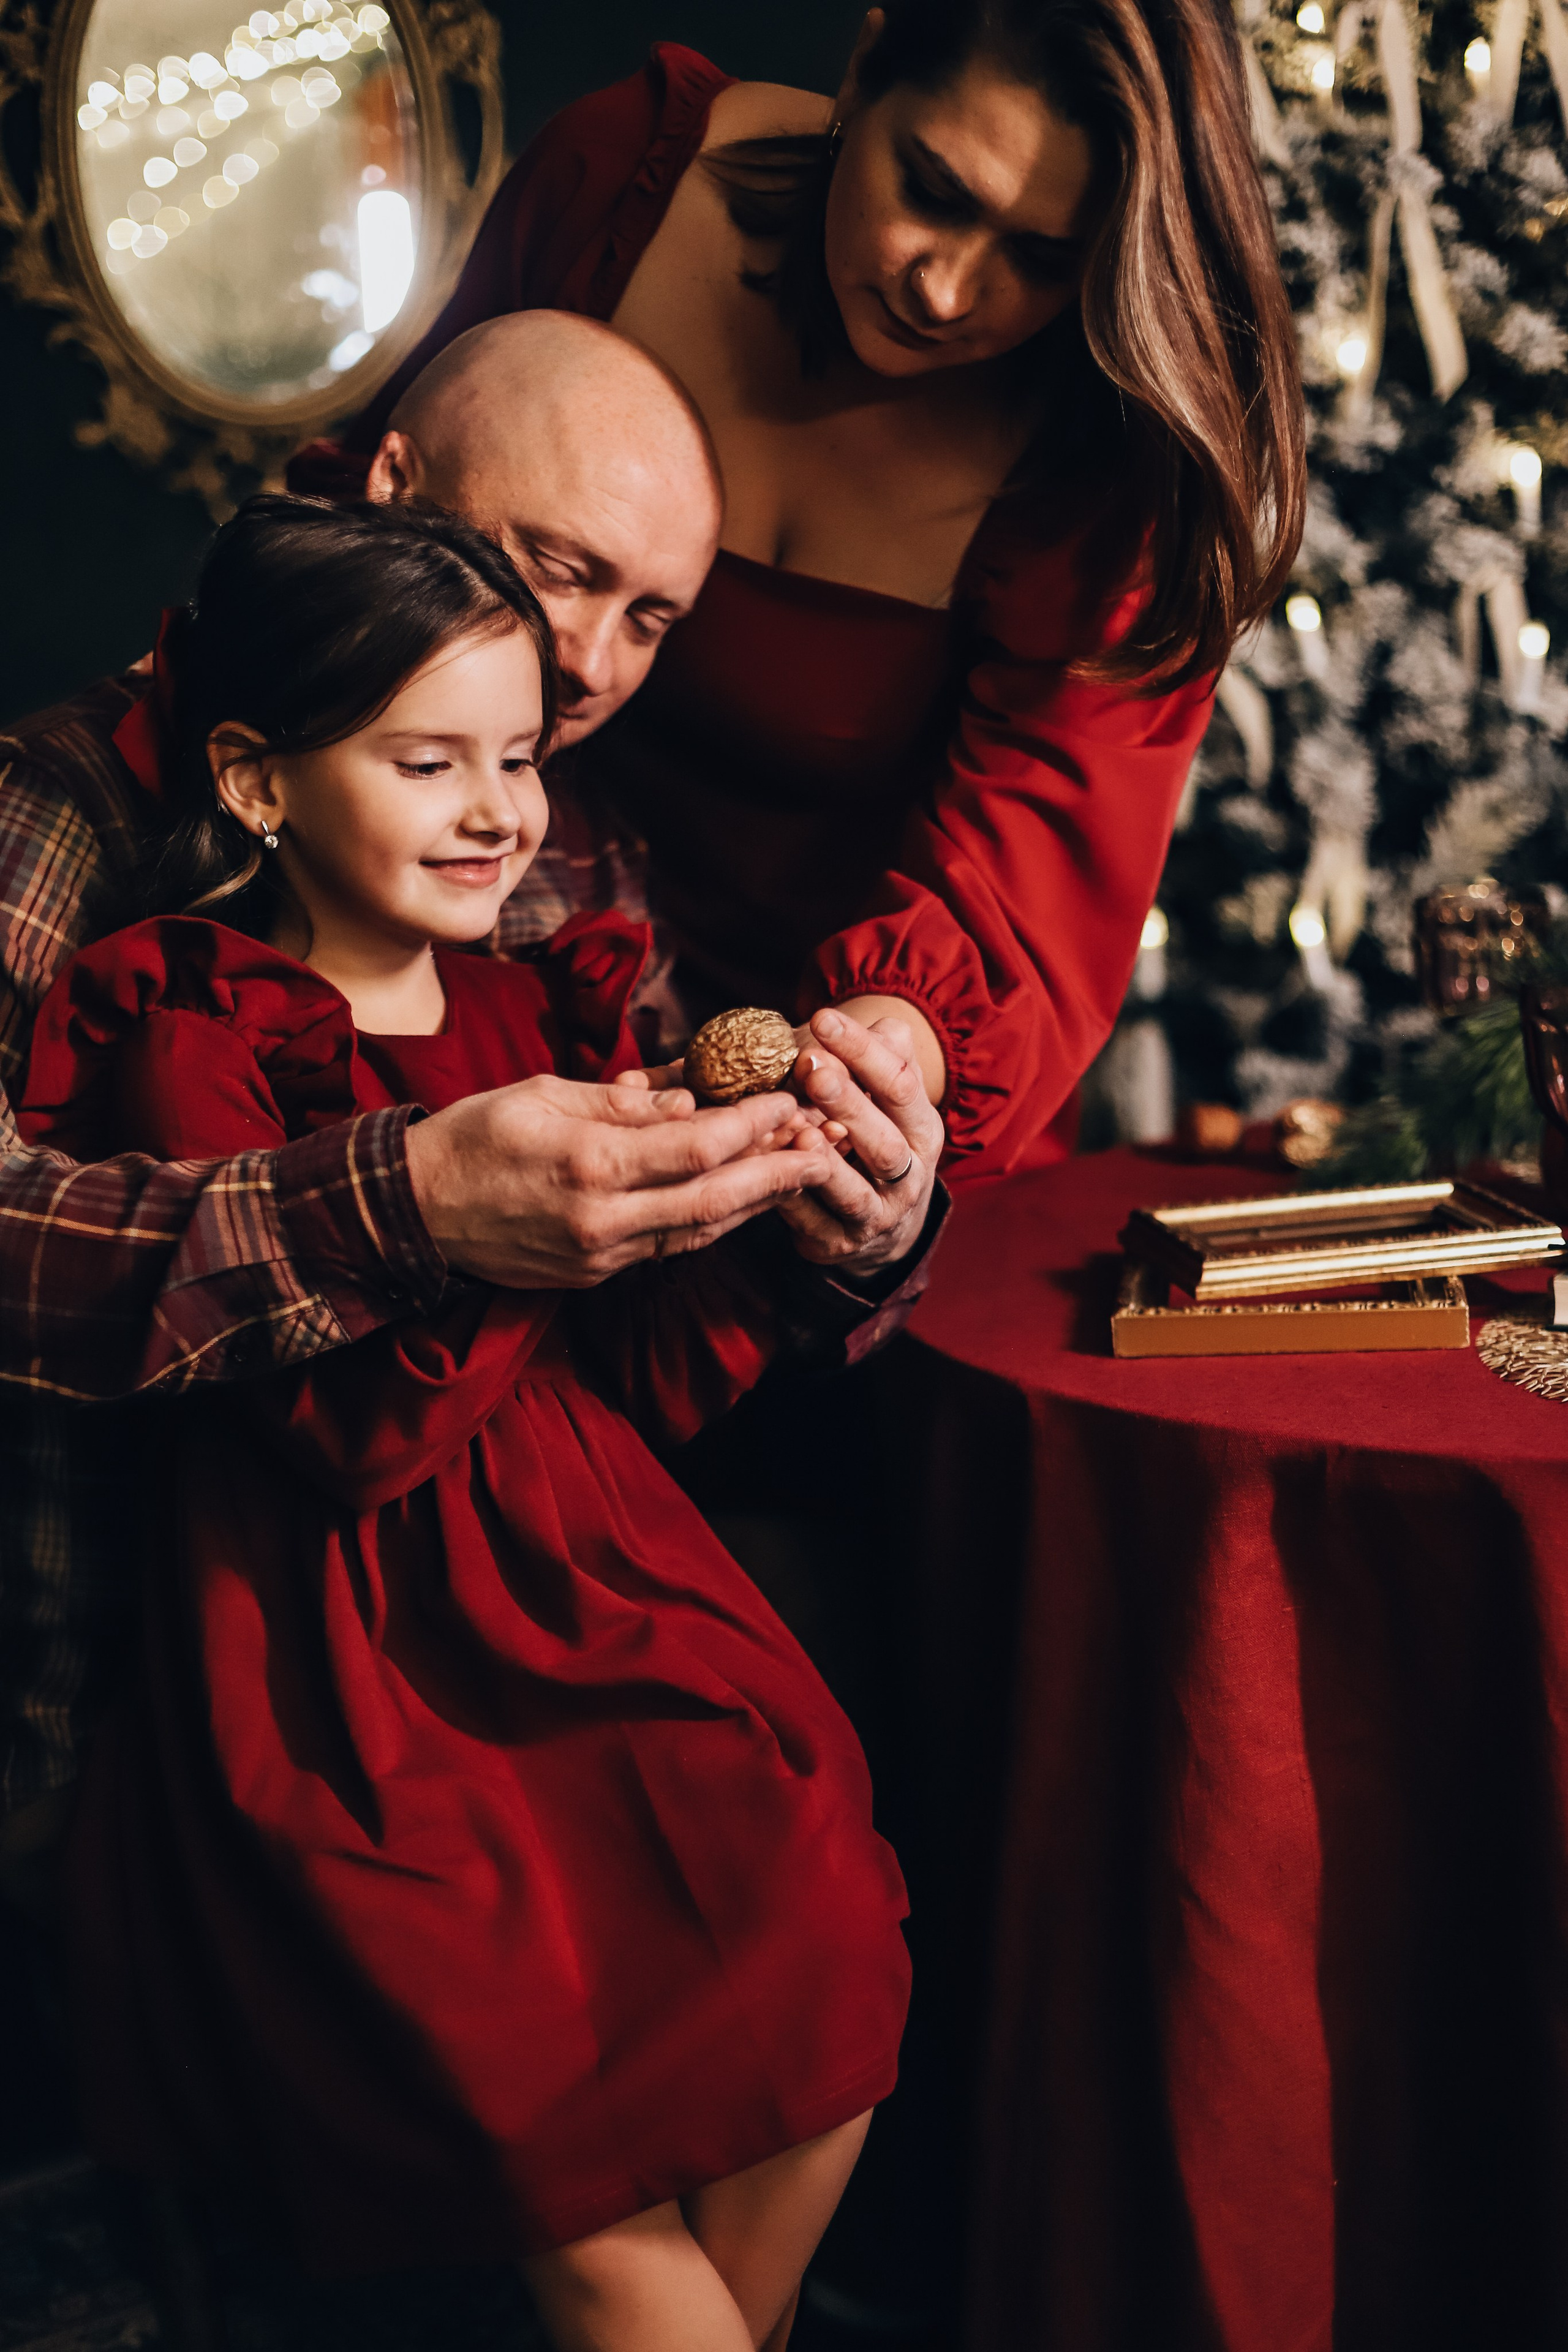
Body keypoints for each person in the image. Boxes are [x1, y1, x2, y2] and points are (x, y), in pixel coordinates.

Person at [21, 494, 938, 2352]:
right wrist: (477, 1213)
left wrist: (772, 1220)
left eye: (518, 756)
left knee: (836, 1944)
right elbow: (350, 1438)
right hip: (356, 1670)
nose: (501, 808)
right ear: (260, 783)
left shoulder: (546, 1001)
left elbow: (631, 1388)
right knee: (567, 2158)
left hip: (599, 1594)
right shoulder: (197, 1027)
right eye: (428, 759)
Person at [0, 311, 932, 1902]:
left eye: (651, 619)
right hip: (118, 1679)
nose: (588, 666)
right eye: (560, 569)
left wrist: (834, 1212)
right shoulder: (66, 809)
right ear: (390, 488)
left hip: (510, 1638)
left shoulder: (563, 873)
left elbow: (645, 1318)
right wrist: (403, 1206)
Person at [312, 0, 1305, 1180]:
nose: (946, 291)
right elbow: (380, 545)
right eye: (934, 189)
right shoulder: (614, 187)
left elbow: (1023, 900)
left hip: (849, 1088)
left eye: (1043, 260)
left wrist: (844, 1089)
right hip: (466, 989)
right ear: (872, 55)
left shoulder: (1111, 471)